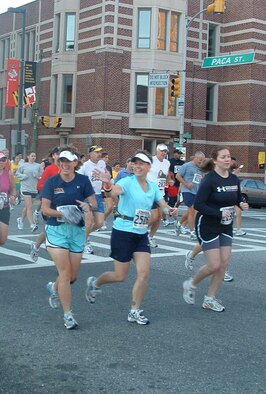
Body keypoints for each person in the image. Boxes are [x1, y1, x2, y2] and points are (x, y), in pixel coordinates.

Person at [85, 151, 178, 325]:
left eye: (142, 163)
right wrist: (107, 184)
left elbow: (162, 204)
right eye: (135, 163)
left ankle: (135, 311)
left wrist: (170, 210)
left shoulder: (152, 187)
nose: (137, 166)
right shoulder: (126, 182)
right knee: (120, 276)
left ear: (148, 167)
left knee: (144, 274)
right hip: (123, 232)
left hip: (141, 233)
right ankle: (95, 283)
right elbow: (114, 192)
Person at [182, 146, 249, 312]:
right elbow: (198, 204)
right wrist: (218, 212)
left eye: (228, 157)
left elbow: (237, 196)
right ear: (215, 160)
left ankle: (210, 299)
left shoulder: (233, 179)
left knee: (223, 264)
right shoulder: (209, 180)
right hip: (207, 225)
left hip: (226, 225)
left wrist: (241, 203)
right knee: (214, 265)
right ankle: (191, 284)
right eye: (223, 157)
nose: (227, 159)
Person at [41, 148, 97, 329]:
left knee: (72, 276)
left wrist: (87, 207)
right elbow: (45, 209)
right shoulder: (52, 182)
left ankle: (54, 287)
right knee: (65, 273)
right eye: (62, 160)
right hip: (56, 230)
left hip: (77, 231)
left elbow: (94, 203)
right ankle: (68, 315)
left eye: (69, 161)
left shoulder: (83, 180)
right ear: (58, 162)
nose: (65, 164)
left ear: (75, 163)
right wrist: (64, 213)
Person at [30, 146, 61, 262]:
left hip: (64, 205)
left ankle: (37, 246)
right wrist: (52, 190)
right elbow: (40, 185)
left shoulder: (66, 168)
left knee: (56, 230)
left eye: (61, 153)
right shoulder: (50, 169)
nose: (59, 155)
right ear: (53, 156)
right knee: (50, 230)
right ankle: (37, 246)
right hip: (51, 204)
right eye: (57, 153)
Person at [78, 145, 106, 253]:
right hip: (87, 196)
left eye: (100, 152)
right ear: (90, 153)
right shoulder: (85, 166)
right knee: (89, 222)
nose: (99, 154)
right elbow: (77, 179)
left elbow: (105, 176)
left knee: (99, 223)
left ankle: (84, 234)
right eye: (96, 152)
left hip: (98, 195)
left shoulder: (102, 163)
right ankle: (85, 242)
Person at [175, 151, 205, 240]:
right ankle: (192, 232)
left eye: (202, 161)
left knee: (191, 211)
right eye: (200, 160)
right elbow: (178, 176)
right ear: (195, 158)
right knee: (192, 210)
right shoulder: (186, 166)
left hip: (197, 192)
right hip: (187, 191)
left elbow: (202, 179)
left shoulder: (201, 168)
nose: (201, 162)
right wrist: (186, 183)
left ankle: (179, 224)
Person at [147, 143, 170, 246]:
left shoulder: (167, 163)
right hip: (150, 191)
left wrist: (169, 181)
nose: (163, 153)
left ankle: (150, 237)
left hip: (161, 192)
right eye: (162, 151)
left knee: (160, 216)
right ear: (157, 151)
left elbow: (165, 175)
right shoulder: (151, 160)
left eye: (165, 151)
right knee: (154, 216)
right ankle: (139, 233)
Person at [16, 151, 43, 232]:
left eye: (34, 156)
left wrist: (37, 176)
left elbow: (42, 176)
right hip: (25, 188)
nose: (33, 157)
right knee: (30, 207)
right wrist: (23, 176)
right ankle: (32, 225)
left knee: (28, 206)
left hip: (34, 188)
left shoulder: (38, 166)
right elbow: (17, 174)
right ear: (28, 156)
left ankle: (20, 219)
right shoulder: (23, 165)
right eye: (32, 156)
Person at [0, 152, 16, 245]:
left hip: (4, 208)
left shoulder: (9, 174)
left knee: (2, 239)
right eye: (0, 160)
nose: (1, 162)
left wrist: (13, 196)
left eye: (3, 160)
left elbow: (13, 189)